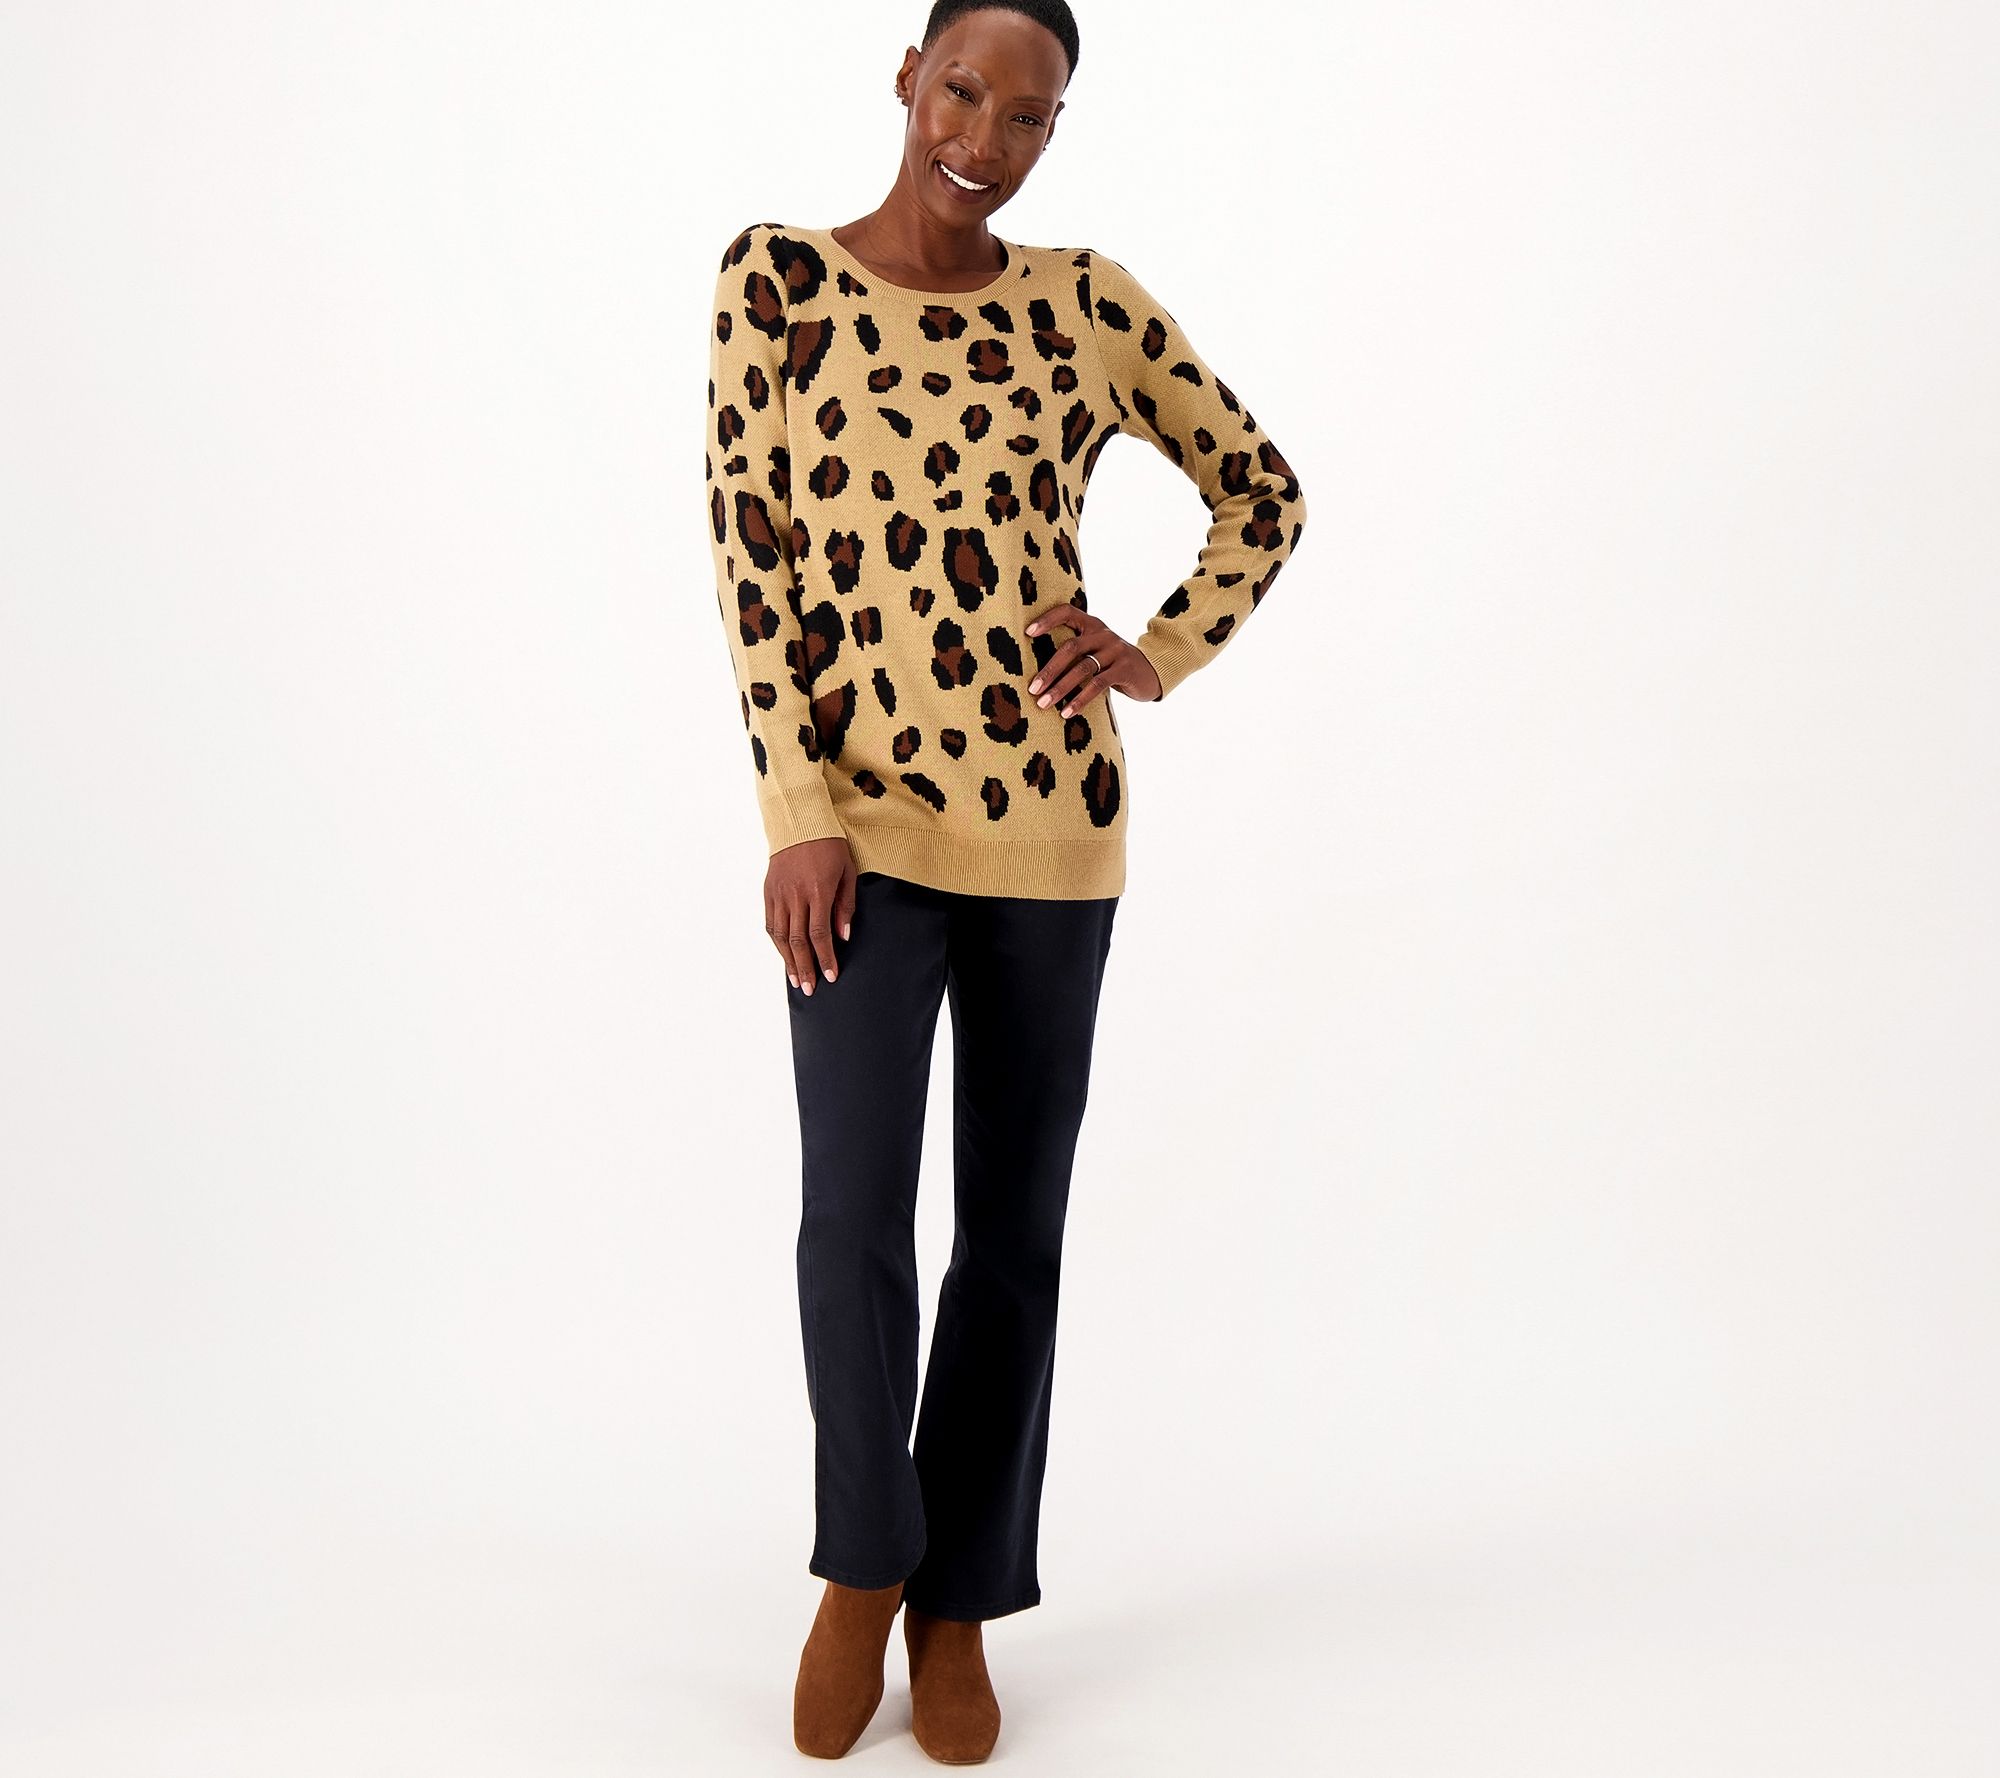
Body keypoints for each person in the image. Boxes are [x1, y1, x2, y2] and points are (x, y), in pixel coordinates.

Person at [702, 0, 1307, 1760]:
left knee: (1013, 1235)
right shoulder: (776, 283)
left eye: (1027, 115)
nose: (984, 135)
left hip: (1053, 829)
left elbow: (1261, 491)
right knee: (850, 1222)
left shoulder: (1085, 303)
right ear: (908, 78)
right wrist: (795, 809)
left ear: (1055, 132)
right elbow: (752, 556)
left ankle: (961, 1595)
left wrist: (1155, 651)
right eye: (962, 90)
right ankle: (864, 1563)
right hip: (857, 833)